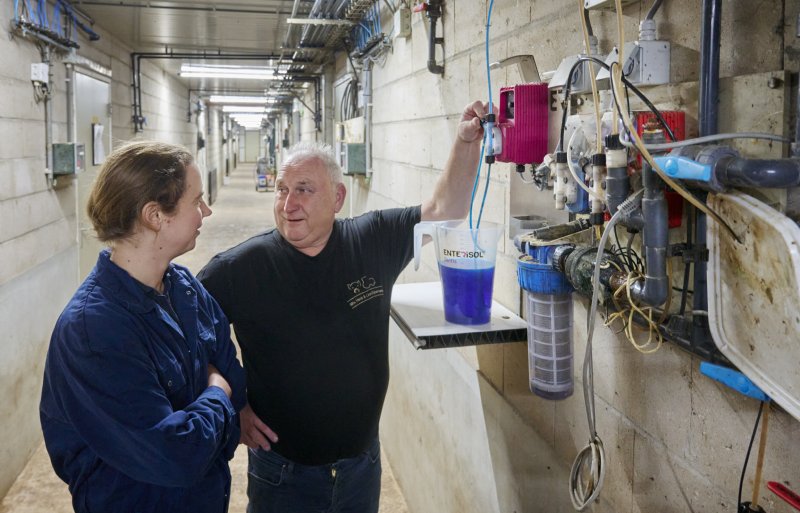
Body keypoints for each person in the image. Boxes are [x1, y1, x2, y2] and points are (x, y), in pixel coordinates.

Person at [197, 100, 490, 513]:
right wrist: (233, 404)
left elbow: (446, 212)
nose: (288, 204)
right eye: (282, 190)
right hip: (283, 473)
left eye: (303, 189)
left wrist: (465, 143)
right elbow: (187, 340)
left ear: (337, 197)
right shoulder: (239, 268)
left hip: (361, 466)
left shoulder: (372, 241)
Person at [39, 141, 247, 513]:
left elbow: (230, 369)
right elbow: (174, 455)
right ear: (155, 215)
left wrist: (223, 410)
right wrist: (217, 393)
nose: (207, 211)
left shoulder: (184, 287)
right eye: (196, 201)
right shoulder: (93, 331)